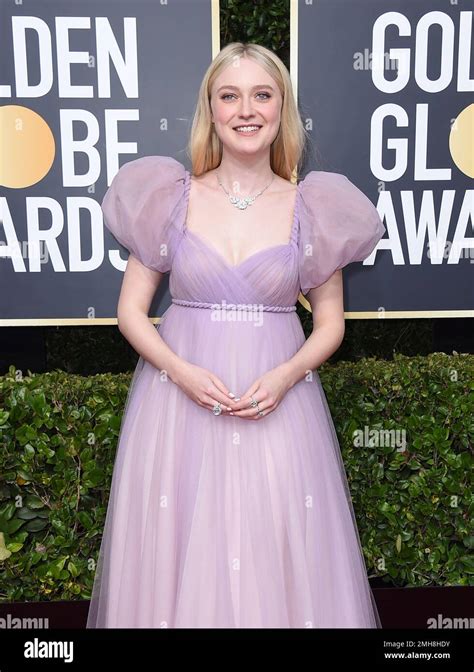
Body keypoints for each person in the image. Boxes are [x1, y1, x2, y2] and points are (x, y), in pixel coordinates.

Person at [86, 42, 386, 628]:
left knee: (272, 544)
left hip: (276, 403)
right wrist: (182, 372)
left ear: (282, 109)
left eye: (262, 95)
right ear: (211, 110)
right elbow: (129, 312)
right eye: (230, 96)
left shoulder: (312, 207)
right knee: (178, 550)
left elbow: (330, 325)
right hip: (177, 406)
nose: (246, 110)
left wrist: (286, 375)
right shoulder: (169, 198)